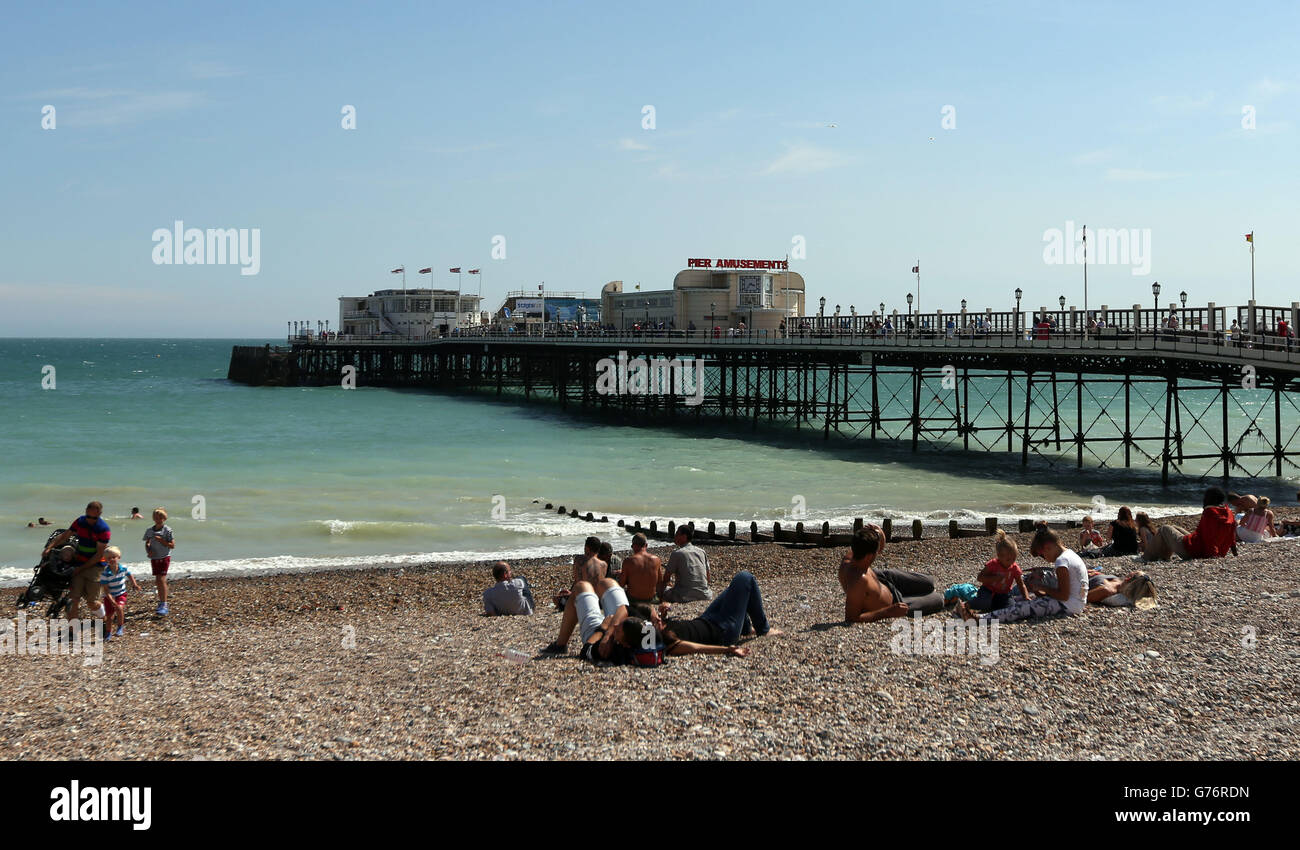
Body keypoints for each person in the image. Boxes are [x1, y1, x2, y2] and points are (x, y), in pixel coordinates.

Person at [957, 527, 1087, 623]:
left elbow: (1063, 595)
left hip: (1068, 605)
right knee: (1022, 598)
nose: (1045, 559)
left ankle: (980, 619)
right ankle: (987, 610)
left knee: (1021, 607)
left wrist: (1043, 588)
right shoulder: (1070, 554)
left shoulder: (1062, 561)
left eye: (1042, 555)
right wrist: (1044, 593)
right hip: (1076, 603)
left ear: (1048, 547)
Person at [648, 571, 781, 655]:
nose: (658, 620)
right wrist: (728, 649)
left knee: (732, 591)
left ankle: (745, 629)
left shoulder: (660, 628)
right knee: (746, 578)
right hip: (724, 631)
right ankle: (763, 629)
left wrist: (662, 614)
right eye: (655, 622)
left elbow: (650, 617)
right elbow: (697, 648)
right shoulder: (671, 644)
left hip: (706, 619)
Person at [839, 525, 944, 623]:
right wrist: (888, 612)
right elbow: (851, 618)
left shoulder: (851, 557)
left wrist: (879, 533)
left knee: (929, 582)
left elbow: (872, 545)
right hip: (895, 604)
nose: (878, 552)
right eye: (876, 552)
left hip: (885, 581)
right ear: (869, 556)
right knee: (938, 600)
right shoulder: (858, 582)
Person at [42, 501, 112, 621]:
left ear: (99, 514)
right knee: (73, 599)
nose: (90, 520)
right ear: (85, 512)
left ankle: (105, 618)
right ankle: (72, 629)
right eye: (88, 516)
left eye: (93, 517)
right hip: (79, 562)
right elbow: (65, 535)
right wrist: (49, 548)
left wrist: (80, 568)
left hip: (95, 566)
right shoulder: (80, 521)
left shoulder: (103, 529)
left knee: (92, 602)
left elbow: (98, 555)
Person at [542, 575, 630, 658]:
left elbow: (586, 650)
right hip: (622, 626)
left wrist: (604, 630)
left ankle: (560, 645)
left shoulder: (602, 650)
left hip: (598, 635)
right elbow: (624, 609)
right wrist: (610, 631)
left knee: (580, 587)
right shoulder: (641, 636)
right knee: (606, 583)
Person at [1142, 486, 1238, 561]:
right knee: (1174, 527)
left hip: (1194, 551)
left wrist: (1212, 557)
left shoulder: (1210, 513)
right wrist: (1234, 553)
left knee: (1164, 529)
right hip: (1208, 548)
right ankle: (1163, 556)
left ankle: (1146, 557)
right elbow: (1231, 536)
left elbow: (1210, 537)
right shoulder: (1228, 512)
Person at [969, 531, 1031, 612]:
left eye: (1014, 558)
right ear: (999, 556)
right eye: (1008, 559)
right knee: (984, 603)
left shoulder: (1014, 568)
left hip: (1004, 594)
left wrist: (1026, 597)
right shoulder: (993, 564)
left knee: (1011, 608)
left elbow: (1021, 584)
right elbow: (980, 578)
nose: (1011, 562)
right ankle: (967, 604)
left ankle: (993, 605)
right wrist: (994, 578)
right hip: (988, 591)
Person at [98, 546, 142, 639]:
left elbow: (129, 575)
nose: (112, 559)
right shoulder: (105, 573)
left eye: (114, 557)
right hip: (109, 595)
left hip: (121, 593)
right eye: (109, 558)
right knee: (109, 616)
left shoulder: (123, 568)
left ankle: (120, 627)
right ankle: (108, 632)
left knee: (119, 608)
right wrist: (112, 601)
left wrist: (134, 584)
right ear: (106, 560)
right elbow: (106, 590)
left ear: (119, 557)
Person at [659, 526, 712, 602]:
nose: (675, 536)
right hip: (705, 595)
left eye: (677, 534)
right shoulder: (701, 551)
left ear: (684, 537)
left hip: (684, 596)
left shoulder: (677, 553)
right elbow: (708, 578)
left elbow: (666, 578)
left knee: (660, 588)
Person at [142, 508, 175, 615]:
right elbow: (147, 543)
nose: (158, 519)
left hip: (164, 556)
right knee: (158, 580)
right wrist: (149, 550)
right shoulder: (149, 531)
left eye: (160, 517)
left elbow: (172, 545)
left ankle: (163, 603)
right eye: (156, 517)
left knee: (161, 579)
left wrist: (162, 540)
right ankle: (162, 600)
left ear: (164, 518)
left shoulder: (167, 530)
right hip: (154, 557)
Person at [618, 533, 662, 605]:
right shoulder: (656, 560)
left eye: (632, 546)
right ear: (646, 545)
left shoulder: (628, 561)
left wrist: (621, 574)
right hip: (651, 599)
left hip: (633, 600)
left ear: (634, 546)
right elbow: (660, 582)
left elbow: (621, 584)